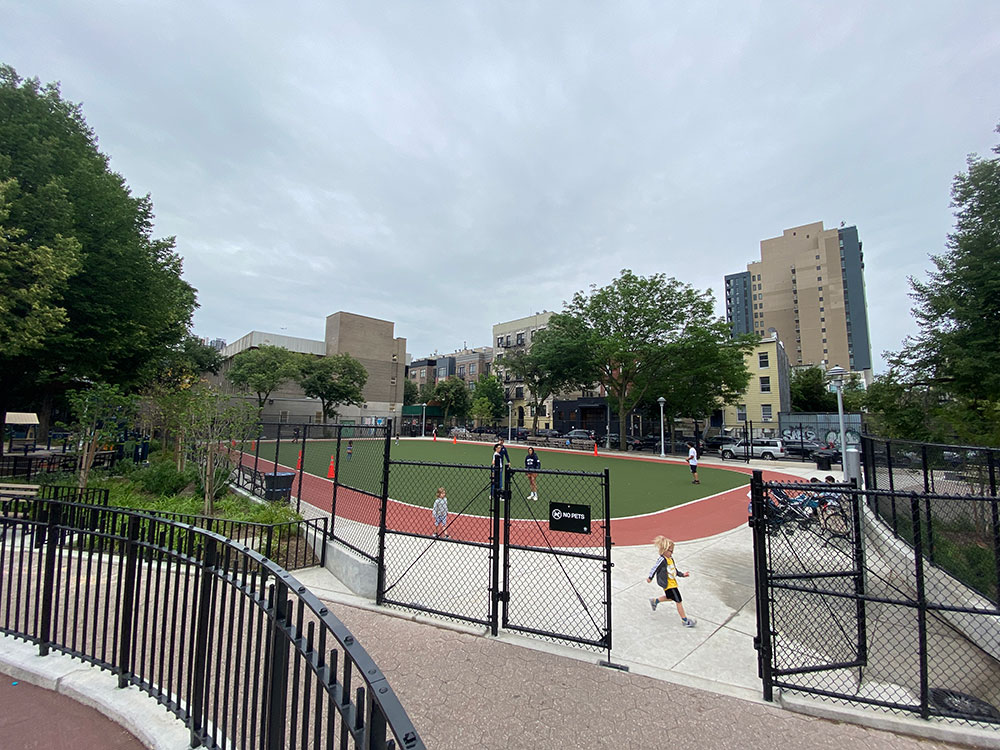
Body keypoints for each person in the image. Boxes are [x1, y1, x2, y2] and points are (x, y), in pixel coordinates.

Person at [647, 536, 696, 627]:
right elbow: (655, 568)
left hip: (672, 582)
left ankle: (655, 601)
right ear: (664, 550)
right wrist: (650, 577)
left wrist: (682, 574)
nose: (672, 553)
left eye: (672, 551)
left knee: (671, 597)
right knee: (678, 601)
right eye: (670, 551)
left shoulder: (670, 559)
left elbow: (673, 570)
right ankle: (684, 620)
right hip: (668, 584)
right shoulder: (662, 560)